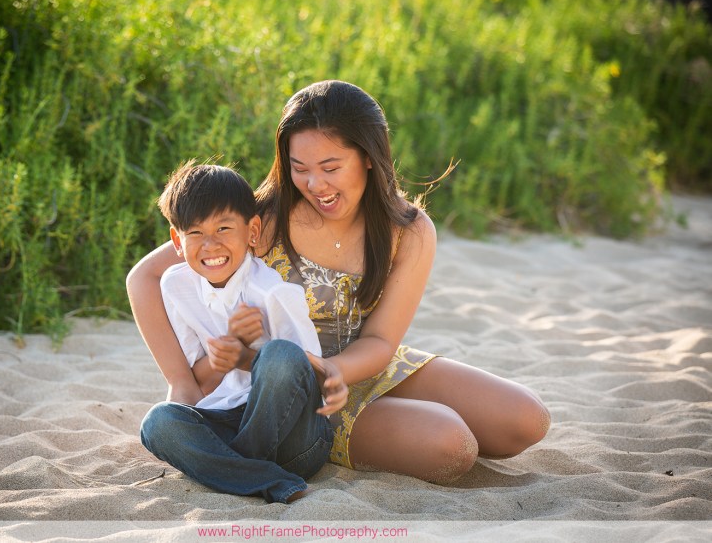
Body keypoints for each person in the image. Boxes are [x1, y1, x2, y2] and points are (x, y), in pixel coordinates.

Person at [128, 80, 550, 488]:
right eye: (300, 168)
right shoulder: (265, 218)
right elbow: (144, 277)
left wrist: (336, 369)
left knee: (526, 419)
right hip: (289, 389)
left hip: (360, 363)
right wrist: (182, 382)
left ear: (368, 156)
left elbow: (382, 339)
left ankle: (384, 411)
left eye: (331, 167)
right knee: (452, 446)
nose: (316, 185)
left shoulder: (408, 229)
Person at [138, 161, 348, 504]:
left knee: (278, 354)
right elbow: (200, 379)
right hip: (230, 421)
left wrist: (247, 354)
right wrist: (230, 347)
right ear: (177, 240)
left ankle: (232, 470)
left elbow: (305, 371)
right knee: (158, 422)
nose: (210, 245)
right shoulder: (176, 286)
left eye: (223, 229)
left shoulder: (272, 293)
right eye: (195, 233)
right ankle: (261, 477)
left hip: (295, 440)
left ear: (252, 231)